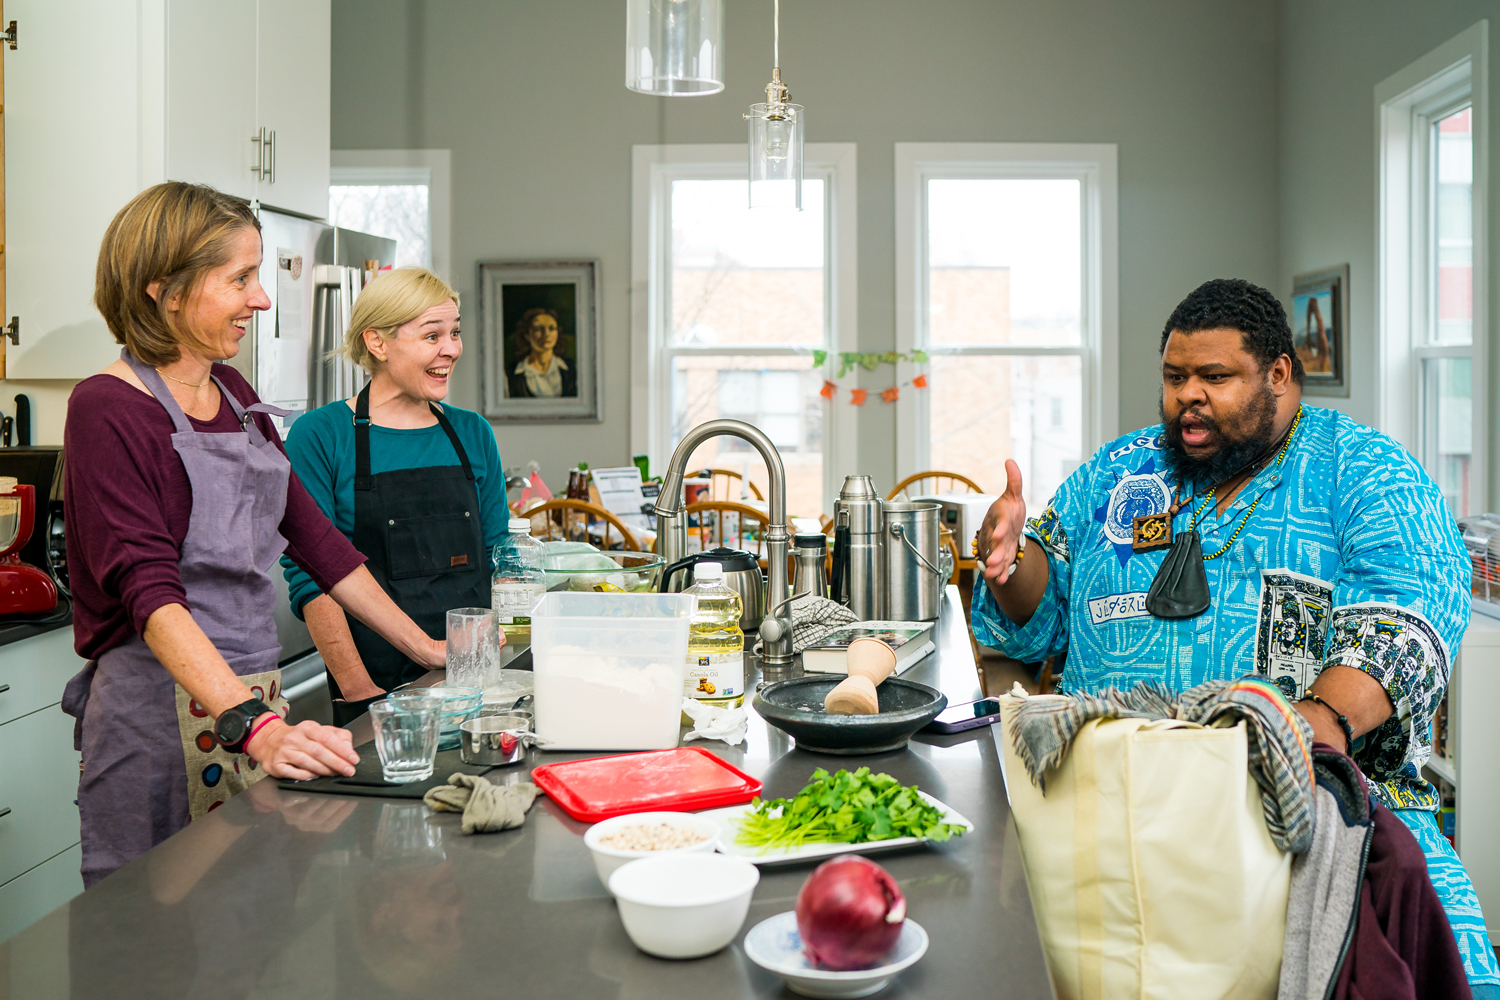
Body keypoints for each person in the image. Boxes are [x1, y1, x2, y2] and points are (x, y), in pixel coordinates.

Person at [973, 277, 1499, 994]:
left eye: (1214, 377)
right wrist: (1009, 563)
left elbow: (1403, 618)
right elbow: (1044, 599)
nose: (1188, 394)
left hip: (1297, 800)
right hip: (1111, 794)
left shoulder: (1368, 472)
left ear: (1279, 373)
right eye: (1174, 376)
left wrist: (1314, 728)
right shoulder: (1121, 471)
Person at [63, 182, 445, 887]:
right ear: (166, 291)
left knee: (247, 926)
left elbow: (316, 541)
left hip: (253, 705)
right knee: (151, 943)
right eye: (240, 278)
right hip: (157, 719)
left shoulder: (237, 398)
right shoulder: (107, 407)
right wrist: (255, 727)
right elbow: (149, 593)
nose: (261, 299)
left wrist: (429, 651)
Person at [281, 267, 509, 723]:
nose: (451, 349)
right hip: (377, 689)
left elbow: (498, 558)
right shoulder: (322, 435)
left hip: (471, 681)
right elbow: (312, 576)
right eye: (432, 335)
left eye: (455, 332)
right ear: (377, 343)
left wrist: (489, 655)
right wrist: (360, 693)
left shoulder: (471, 432)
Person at [507, 307, 576, 398]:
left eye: (551, 328)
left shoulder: (572, 369)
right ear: (527, 334)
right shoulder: (510, 374)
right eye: (538, 329)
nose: (546, 334)